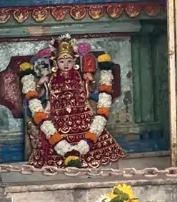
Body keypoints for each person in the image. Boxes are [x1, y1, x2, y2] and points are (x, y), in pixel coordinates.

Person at [24, 37, 124, 168]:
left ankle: (84, 152)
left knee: (94, 130)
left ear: (74, 61)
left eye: (69, 61)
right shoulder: (51, 78)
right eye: (62, 61)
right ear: (55, 63)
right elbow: (42, 95)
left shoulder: (79, 76)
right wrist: (39, 84)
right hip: (57, 116)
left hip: (82, 115)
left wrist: (90, 81)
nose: (65, 65)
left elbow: (88, 93)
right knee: (49, 134)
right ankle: (62, 153)